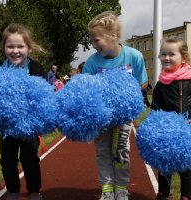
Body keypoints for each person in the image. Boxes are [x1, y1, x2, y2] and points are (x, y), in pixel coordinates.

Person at [82, 11, 148, 200]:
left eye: (96, 40)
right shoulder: (93, 62)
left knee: (120, 151)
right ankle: (107, 189)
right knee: (102, 151)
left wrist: (126, 96)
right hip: (102, 118)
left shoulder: (134, 56)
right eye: (91, 41)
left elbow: (142, 84)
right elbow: (85, 87)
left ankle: (121, 188)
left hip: (123, 118)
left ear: (113, 35)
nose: (93, 45)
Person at [0, 23, 46, 200]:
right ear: (4, 48)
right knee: (8, 160)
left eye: (20, 46)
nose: (15, 51)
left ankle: (34, 191)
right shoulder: (0, 70)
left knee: (30, 159)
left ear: (29, 48)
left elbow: (43, 96)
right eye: (10, 46)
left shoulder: (35, 68)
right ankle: (13, 190)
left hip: (29, 126)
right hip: (7, 127)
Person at [151, 37, 191, 200]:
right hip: (166, 133)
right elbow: (155, 108)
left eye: (171, 54)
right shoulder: (161, 84)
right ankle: (163, 192)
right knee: (165, 165)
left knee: (187, 167)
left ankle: (186, 195)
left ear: (184, 57)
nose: (166, 57)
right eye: (163, 54)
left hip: (188, 132)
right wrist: (157, 125)